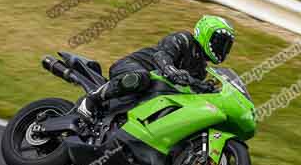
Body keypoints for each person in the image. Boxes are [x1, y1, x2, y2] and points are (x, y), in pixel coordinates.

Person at [82, 15, 235, 118]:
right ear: (206, 33)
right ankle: (93, 98)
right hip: (131, 67)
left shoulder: (200, 70)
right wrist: (172, 70)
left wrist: (205, 89)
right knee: (141, 77)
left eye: (226, 46)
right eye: (220, 42)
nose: (222, 48)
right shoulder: (183, 39)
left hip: (151, 91)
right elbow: (161, 56)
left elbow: (190, 90)